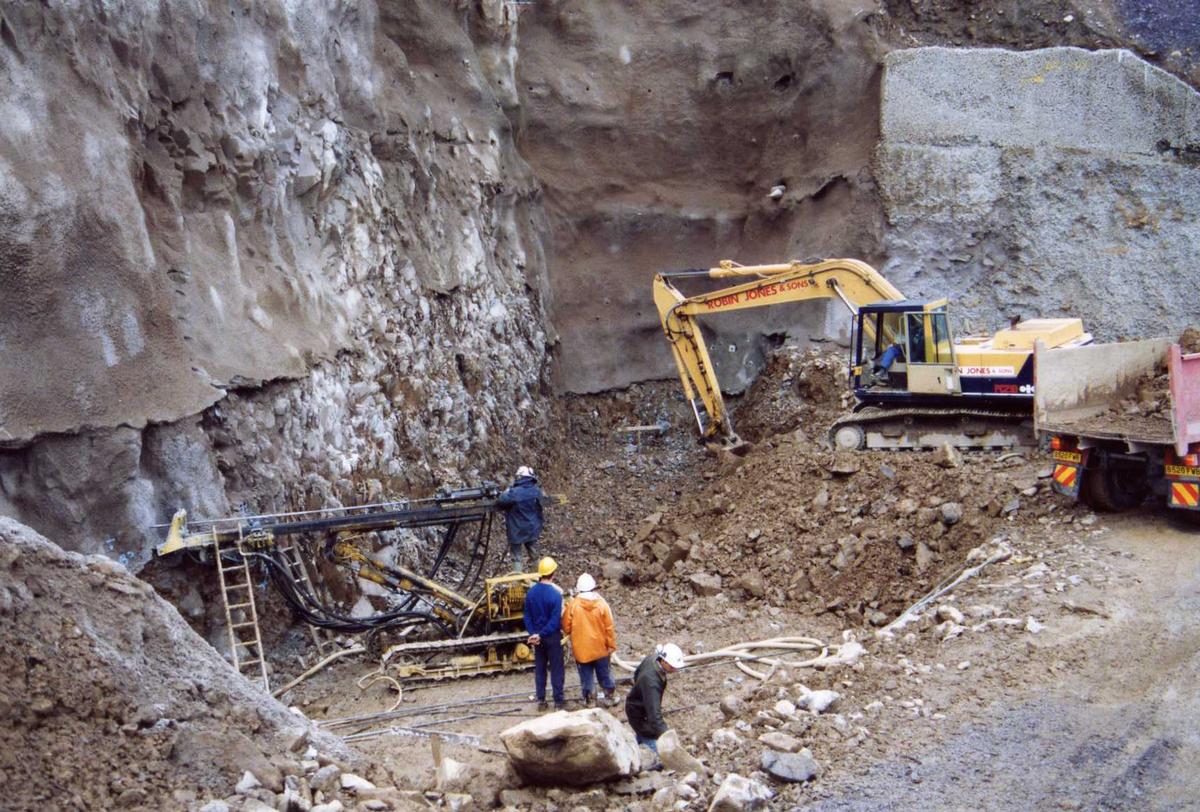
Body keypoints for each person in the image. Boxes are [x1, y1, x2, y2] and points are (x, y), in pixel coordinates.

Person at [562, 573, 617, 708]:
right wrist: (611, 646)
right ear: (593, 587)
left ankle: (590, 700)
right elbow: (609, 628)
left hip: (582, 651)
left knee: (586, 677)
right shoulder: (602, 605)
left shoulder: (573, 606)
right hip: (601, 649)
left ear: (578, 589)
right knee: (604, 673)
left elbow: (566, 627)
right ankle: (609, 696)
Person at [624, 643, 685, 758]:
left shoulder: (652, 659)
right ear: (664, 661)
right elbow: (654, 716)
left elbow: (637, 673)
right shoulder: (651, 683)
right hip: (638, 715)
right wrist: (667, 735)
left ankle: (636, 746)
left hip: (638, 707)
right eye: (672, 667)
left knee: (642, 735)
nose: (675, 670)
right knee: (659, 754)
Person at [523, 556, 565, 711]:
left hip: (537, 639)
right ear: (553, 573)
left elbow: (527, 616)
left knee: (540, 669)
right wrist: (541, 634)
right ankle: (558, 702)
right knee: (556, 669)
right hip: (552, 637)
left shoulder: (531, 593)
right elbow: (555, 621)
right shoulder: (555, 595)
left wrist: (533, 633)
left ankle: (541, 700)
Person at [497, 465, 546, 573]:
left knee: (516, 556)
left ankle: (518, 584)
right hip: (532, 528)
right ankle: (537, 579)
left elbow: (501, 500)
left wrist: (507, 490)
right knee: (534, 554)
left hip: (517, 529)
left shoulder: (514, 492)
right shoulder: (536, 490)